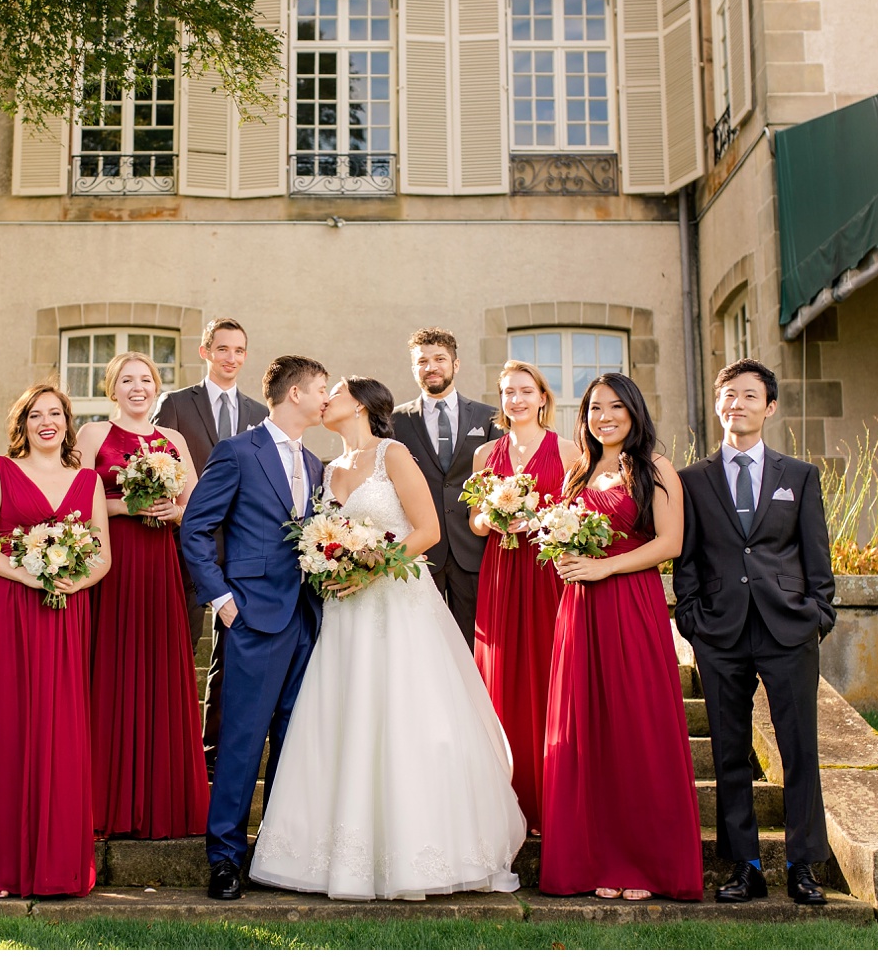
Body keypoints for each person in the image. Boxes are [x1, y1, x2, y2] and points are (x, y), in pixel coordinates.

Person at [249, 376, 526, 901]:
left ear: (359, 404)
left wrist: (372, 569)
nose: (325, 398)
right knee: (345, 719)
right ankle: (338, 855)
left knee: (408, 717)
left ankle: (421, 851)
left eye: (334, 392)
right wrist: (326, 564)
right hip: (345, 612)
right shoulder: (327, 470)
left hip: (397, 603)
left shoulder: (392, 453)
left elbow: (427, 531)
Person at [673, 359, 836, 906]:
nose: (737, 404)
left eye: (749, 396)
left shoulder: (800, 476)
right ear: (718, 405)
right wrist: (691, 619)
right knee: (728, 751)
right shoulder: (693, 479)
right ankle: (744, 865)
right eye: (729, 396)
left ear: (769, 406)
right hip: (719, 632)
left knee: (799, 750)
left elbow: (817, 556)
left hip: (788, 630)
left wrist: (818, 613)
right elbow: (687, 558)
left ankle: (802, 865)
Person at [0, 384, 112, 898]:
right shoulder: (0, 469)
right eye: (36, 415)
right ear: (23, 423)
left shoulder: (89, 480)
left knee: (60, 729)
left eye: (55, 414)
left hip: (65, 613)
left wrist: (75, 581)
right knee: (7, 727)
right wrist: (27, 573)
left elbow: (102, 554)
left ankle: (55, 866)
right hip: (11, 611)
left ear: (67, 422)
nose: (46, 422)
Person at [540, 373, 702, 902]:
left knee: (636, 725)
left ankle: (643, 864)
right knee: (586, 730)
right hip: (580, 611)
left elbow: (670, 542)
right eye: (593, 408)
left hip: (631, 605)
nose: (603, 417)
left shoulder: (653, 468)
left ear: (633, 412)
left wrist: (605, 569)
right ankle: (593, 860)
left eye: (614, 407)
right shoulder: (577, 472)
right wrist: (567, 557)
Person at [178, 355, 328, 901]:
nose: (326, 397)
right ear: (294, 395)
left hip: (305, 620)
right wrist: (221, 600)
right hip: (250, 616)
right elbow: (196, 527)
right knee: (241, 742)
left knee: (292, 740)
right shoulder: (238, 452)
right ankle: (224, 858)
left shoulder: (315, 465)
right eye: (319, 389)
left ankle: (276, 853)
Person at [76, 351, 209, 840]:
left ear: (157, 388)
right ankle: (104, 803)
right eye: (127, 380)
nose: (138, 387)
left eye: (146, 380)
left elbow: (193, 507)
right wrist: (125, 504)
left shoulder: (172, 440)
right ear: (113, 388)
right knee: (109, 672)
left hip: (159, 565)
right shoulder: (93, 435)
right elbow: (74, 500)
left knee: (159, 673)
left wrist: (170, 513)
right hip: (113, 566)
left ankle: (161, 804)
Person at [468, 360, 580, 834]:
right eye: (508, 392)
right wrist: (491, 519)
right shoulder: (485, 455)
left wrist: (537, 520)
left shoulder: (570, 450)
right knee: (500, 675)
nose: (516, 399)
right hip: (500, 571)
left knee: (544, 672)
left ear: (542, 396)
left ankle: (549, 796)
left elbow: (575, 516)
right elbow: (474, 521)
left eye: (525, 391)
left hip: (544, 573)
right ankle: (503, 799)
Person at [154, 317, 269, 778]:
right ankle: (170, 748)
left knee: (229, 658)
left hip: (239, 548)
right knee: (177, 647)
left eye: (239, 350)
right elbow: (157, 464)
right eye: (222, 349)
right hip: (185, 545)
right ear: (205, 352)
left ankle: (213, 755)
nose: (231, 358)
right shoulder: (177, 405)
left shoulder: (260, 412)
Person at [392, 328, 503, 649]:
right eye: (422, 361)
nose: (431, 367)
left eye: (439, 359)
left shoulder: (488, 418)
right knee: (421, 644)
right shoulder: (394, 421)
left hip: (473, 549)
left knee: (477, 644)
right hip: (420, 553)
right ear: (414, 368)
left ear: (456, 364)